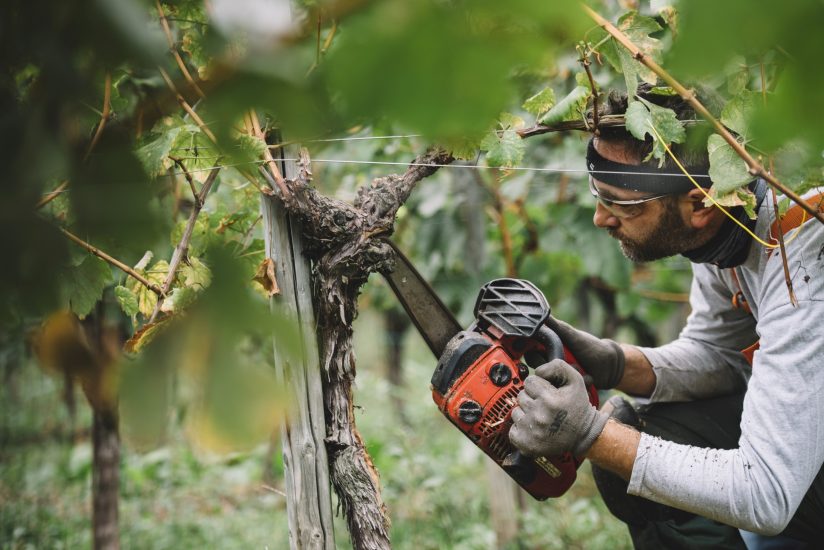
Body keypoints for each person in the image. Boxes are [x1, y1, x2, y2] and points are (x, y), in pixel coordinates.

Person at [508, 88, 824, 548]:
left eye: (622, 203)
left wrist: (589, 434)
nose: (600, 218)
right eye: (599, 195)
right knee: (649, 432)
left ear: (700, 205)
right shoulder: (731, 223)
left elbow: (766, 494)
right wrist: (615, 363)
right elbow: (721, 356)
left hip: (784, 481)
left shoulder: (803, 271)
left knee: (622, 445)